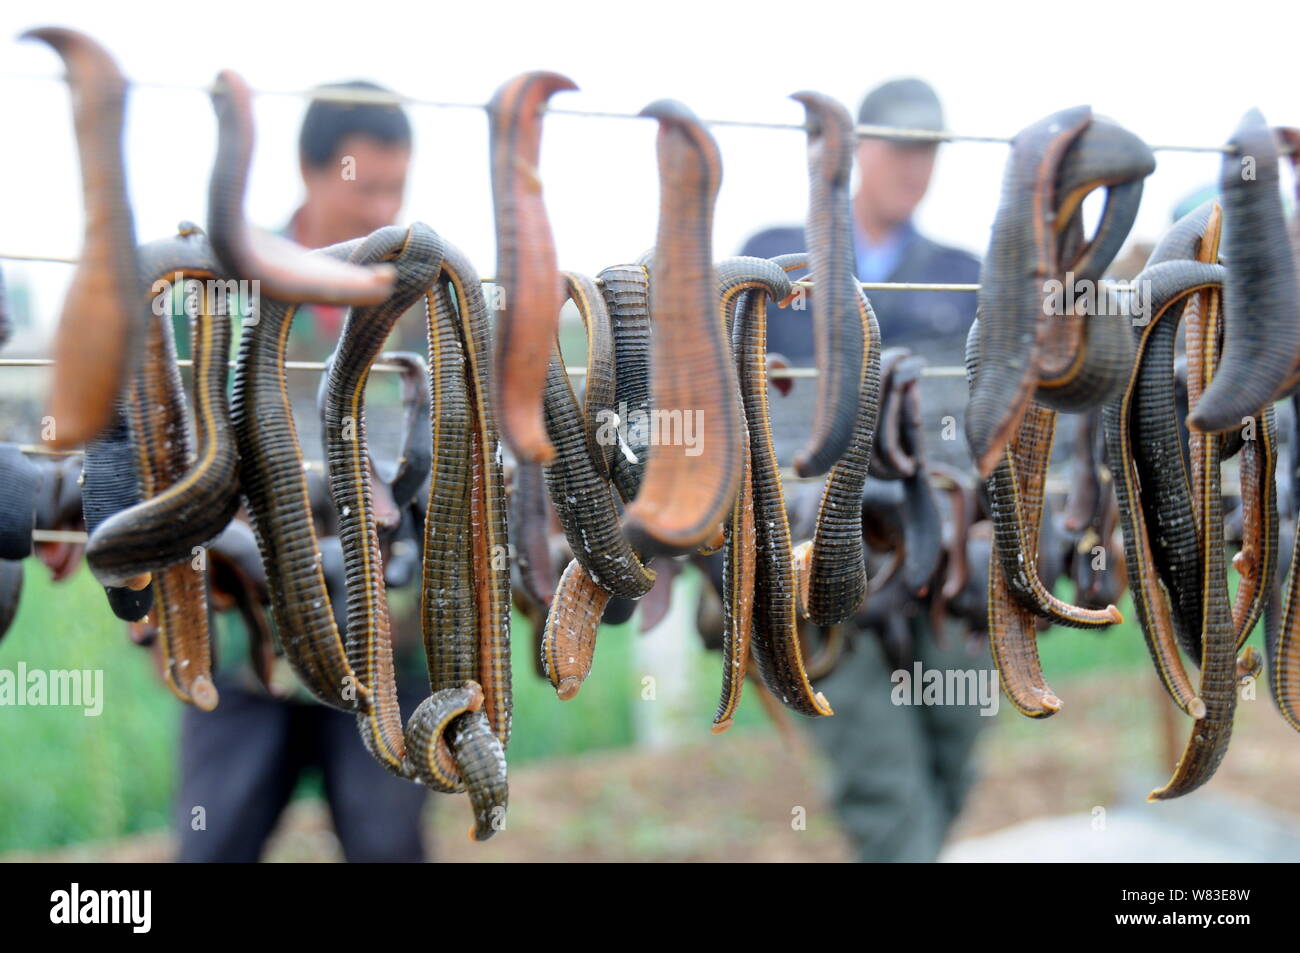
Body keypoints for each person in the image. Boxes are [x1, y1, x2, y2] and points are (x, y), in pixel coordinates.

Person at [172, 82, 432, 863]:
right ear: (311, 170)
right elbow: (168, 457)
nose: (381, 204)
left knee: (389, 848)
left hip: (388, 643)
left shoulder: (425, 301)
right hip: (241, 642)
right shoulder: (218, 289)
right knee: (214, 845)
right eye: (367, 185)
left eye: (397, 185)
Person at [740, 78, 990, 862]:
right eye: (903, 147)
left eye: (931, 151)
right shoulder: (775, 259)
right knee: (883, 782)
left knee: (956, 747)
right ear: (856, 151)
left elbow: (975, 416)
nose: (918, 167)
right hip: (822, 571)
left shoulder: (959, 271)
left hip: (945, 564)